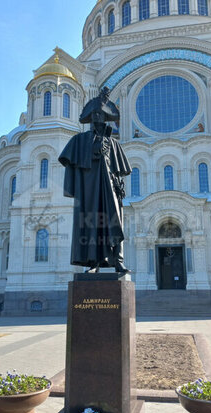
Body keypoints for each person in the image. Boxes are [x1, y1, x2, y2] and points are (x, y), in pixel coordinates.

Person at [59, 87, 132, 273]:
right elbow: (68, 160)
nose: (98, 117)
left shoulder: (114, 143)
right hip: (89, 190)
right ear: (90, 117)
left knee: (114, 222)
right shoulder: (80, 140)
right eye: (95, 114)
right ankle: (93, 263)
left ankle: (118, 261)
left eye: (101, 114)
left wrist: (119, 186)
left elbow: (121, 169)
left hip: (110, 191)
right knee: (90, 223)